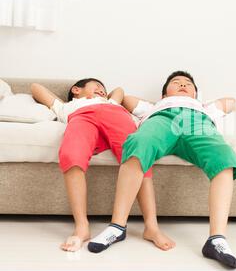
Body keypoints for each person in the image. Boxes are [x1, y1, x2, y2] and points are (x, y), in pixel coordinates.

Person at [88, 71, 236, 268]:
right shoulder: (154, 106)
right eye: (176, 83)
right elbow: (127, 99)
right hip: (162, 120)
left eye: (188, 84)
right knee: (137, 142)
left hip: (196, 121)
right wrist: (163, 101)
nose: (182, 85)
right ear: (163, 94)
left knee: (224, 156)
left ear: (196, 93)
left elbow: (230, 101)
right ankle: (117, 226)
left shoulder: (205, 107)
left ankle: (217, 240)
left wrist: (197, 101)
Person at [30, 79, 170, 252]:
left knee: (139, 157)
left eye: (103, 88)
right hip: (82, 117)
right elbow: (36, 87)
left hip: (115, 116)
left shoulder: (111, 102)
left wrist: (104, 96)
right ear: (76, 90)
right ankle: (82, 227)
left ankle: (152, 227)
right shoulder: (65, 107)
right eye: (96, 86)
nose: (101, 90)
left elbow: (119, 89)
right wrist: (76, 98)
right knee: (70, 155)